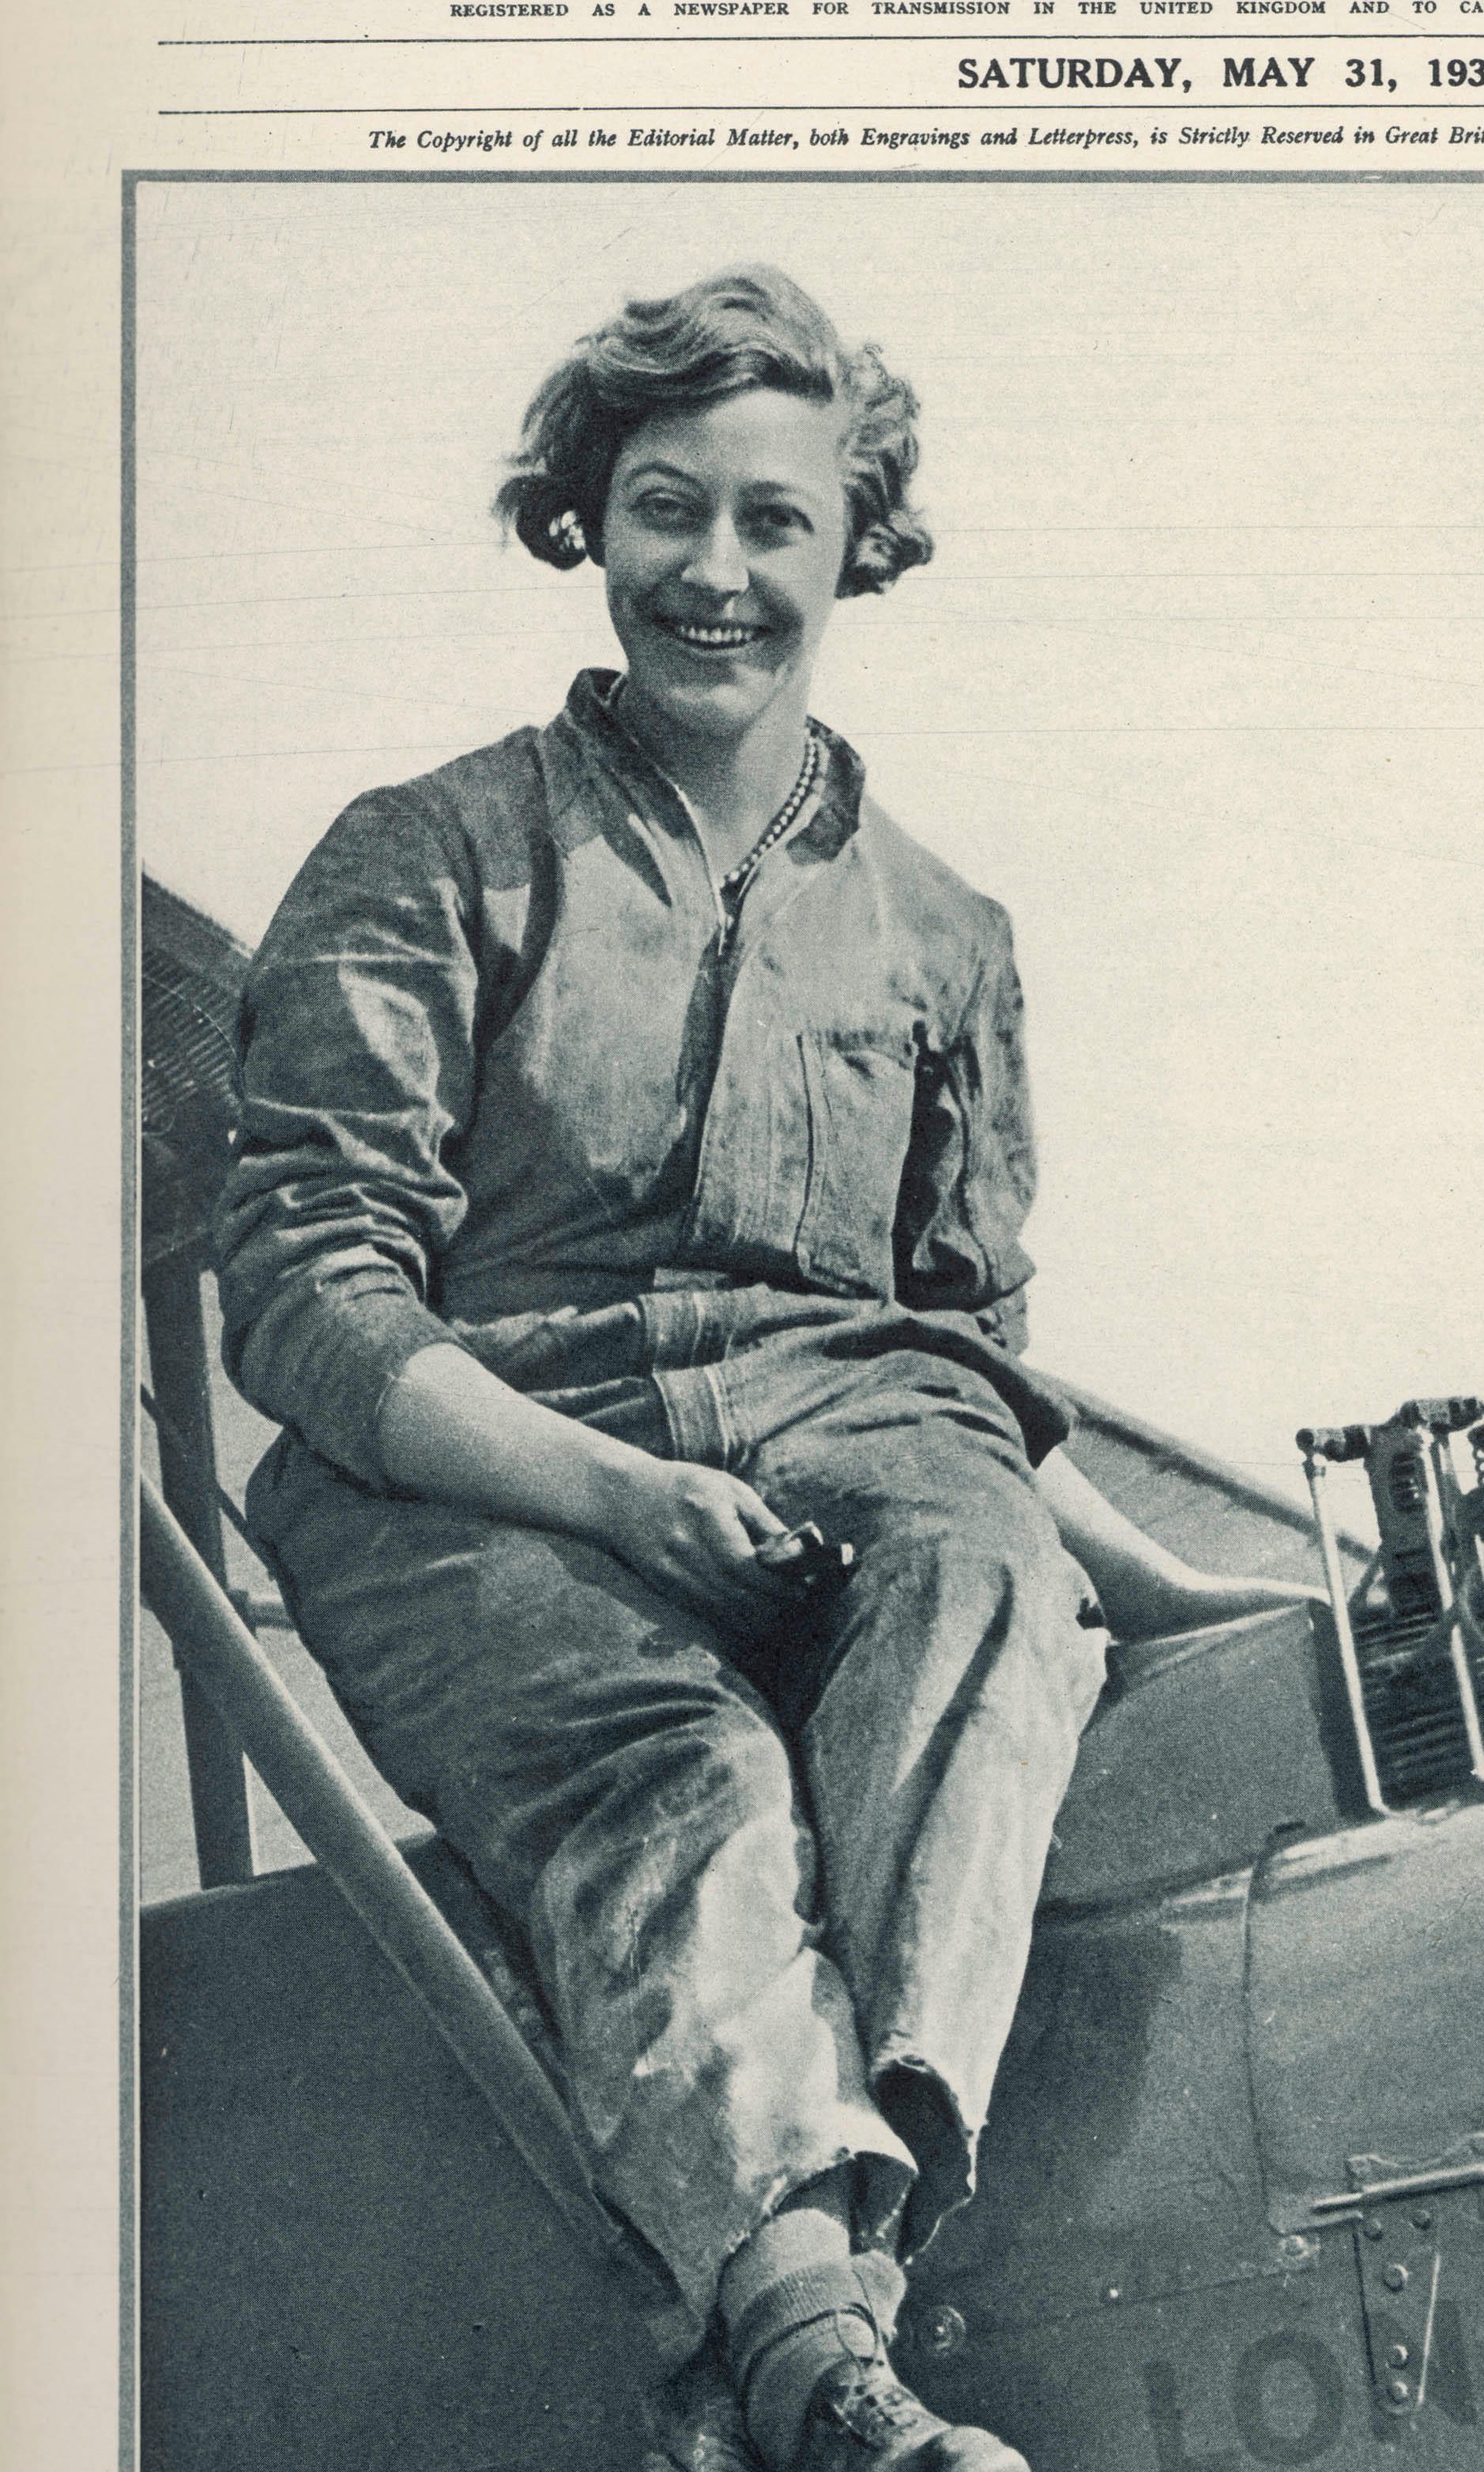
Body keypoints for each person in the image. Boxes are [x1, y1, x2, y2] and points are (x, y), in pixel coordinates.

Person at [213, 266, 1311, 2472]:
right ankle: (820, 2376)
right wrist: (609, 1499)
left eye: (774, 522)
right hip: (477, 1473)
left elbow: (963, 1360)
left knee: (994, 1585)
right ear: (583, 529)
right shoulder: (421, 853)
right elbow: (309, 1291)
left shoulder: (946, 935)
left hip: (846, 1441)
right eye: (662, 511)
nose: (716, 574)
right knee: (683, 1774)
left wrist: (1132, 1586)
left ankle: (818, 2306)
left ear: (856, 545)